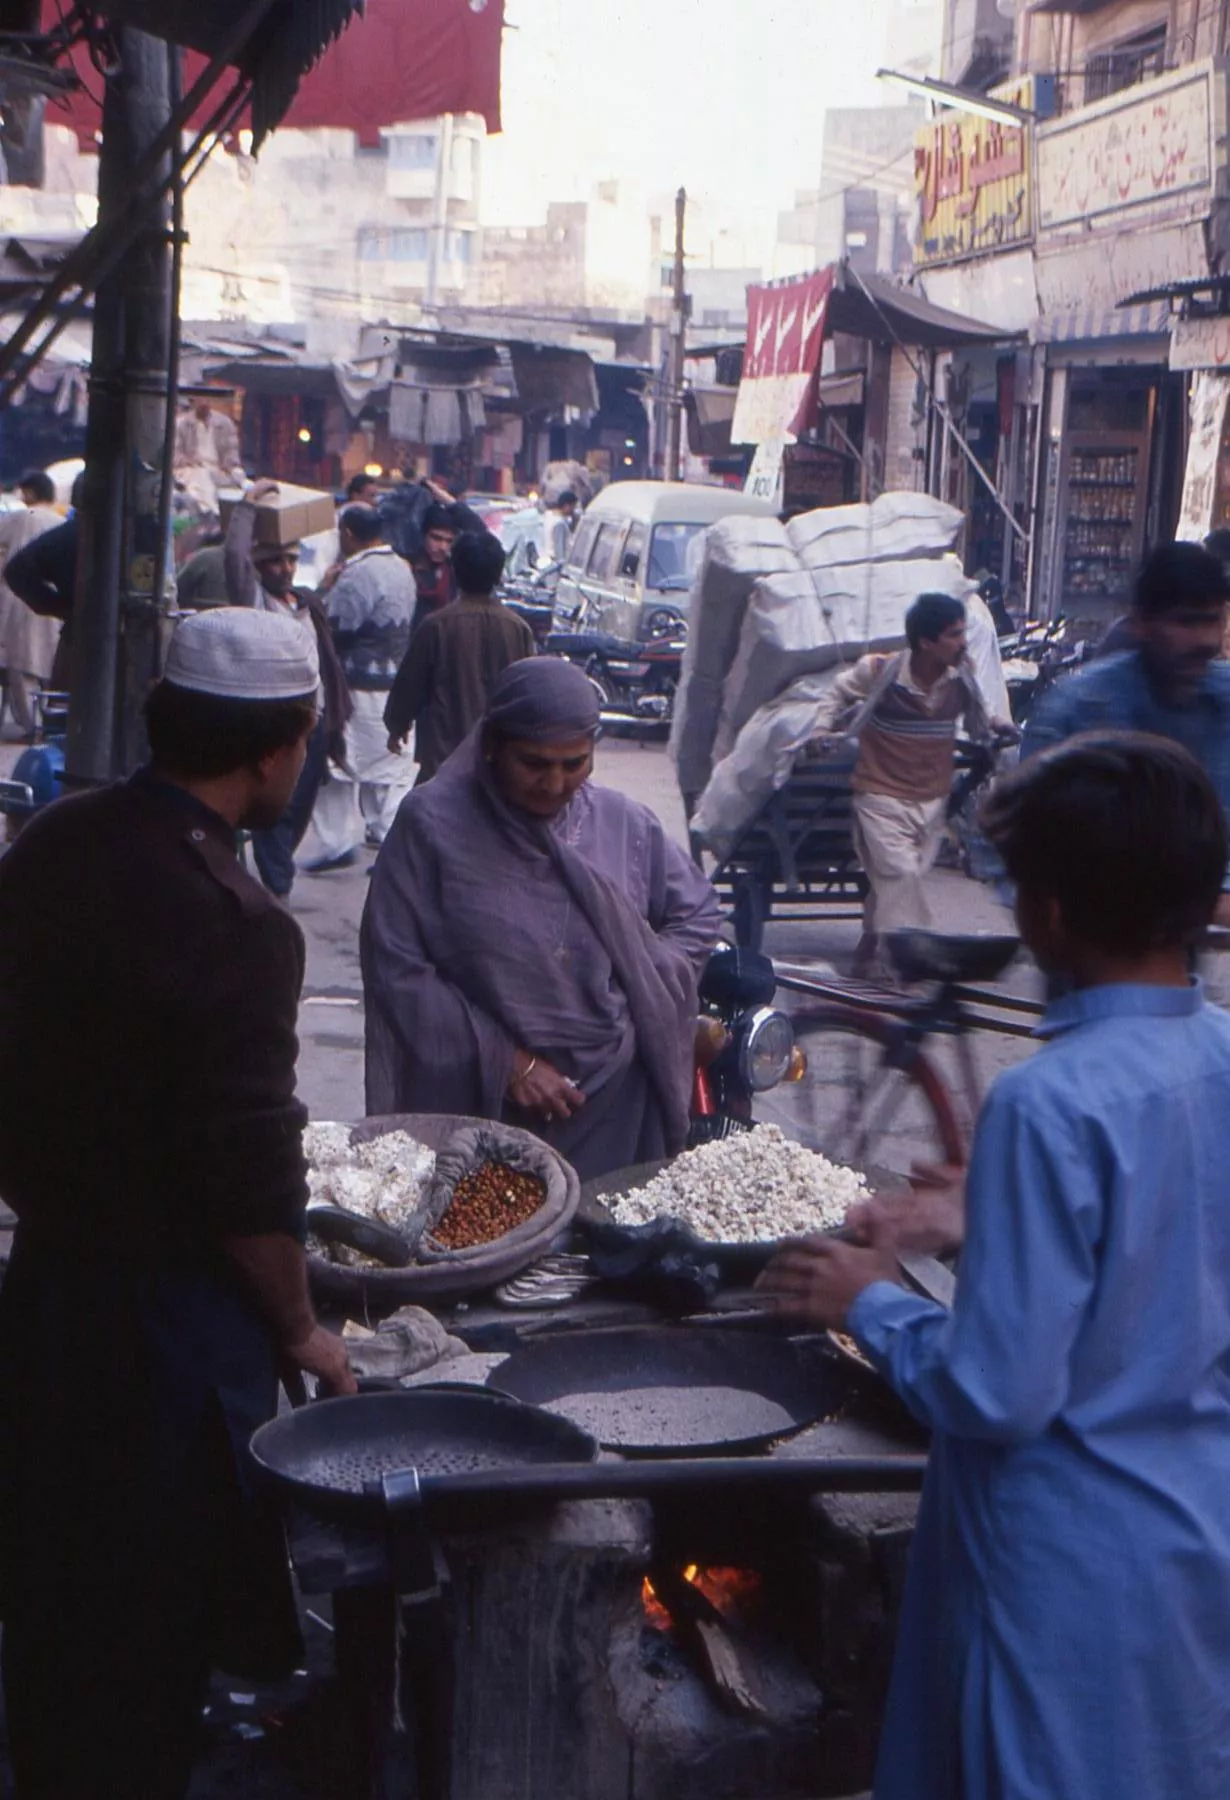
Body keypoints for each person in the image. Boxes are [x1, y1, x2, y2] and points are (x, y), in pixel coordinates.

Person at [760, 732, 1230, 1800]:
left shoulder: (1047, 1101)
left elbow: (1000, 1391)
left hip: (1066, 1564)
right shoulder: (1217, 1058)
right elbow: (1161, 1273)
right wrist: (983, 1227)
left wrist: (870, 1302)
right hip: (1195, 1531)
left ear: (1050, 913)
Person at [0, 607, 355, 1800]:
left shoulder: (54, 844)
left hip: (46, 1291)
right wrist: (303, 1324)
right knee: (149, 1626)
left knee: (55, 1605)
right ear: (274, 748)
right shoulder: (233, 922)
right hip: (169, 1334)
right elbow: (249, 1172)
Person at [362, 657, 721, 1182]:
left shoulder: (624, 824)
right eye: (534, 763)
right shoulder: (432, 827)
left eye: (574, 763)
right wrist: (509, 1063)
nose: (554, 784)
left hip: (617, 1100)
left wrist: (641, 986)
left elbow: (696, 913)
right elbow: (396, 963)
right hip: (484, 1104)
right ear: (491, 747)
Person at [1022, 541, 1230, 919]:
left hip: (1181, 945)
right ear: (1141, 624)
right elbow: (1022, 844)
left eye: (1213, 620)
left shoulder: (1225, 703)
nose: (1207, 641)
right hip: (1092, 944)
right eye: (1187, 621)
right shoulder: (1076, 711)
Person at [809, 593, 1002, 966]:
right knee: (900, 873)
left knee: (897, 880)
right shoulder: (879, 671)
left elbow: (981, 718)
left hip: (932, 800)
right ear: (926, 643)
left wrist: (997, 725)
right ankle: (910, 963)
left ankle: (870, 943)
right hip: (880, 796)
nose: (963, 642)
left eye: (963, 633)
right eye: (953, 635)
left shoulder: (963, 676)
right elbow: (836, 693)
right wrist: (821, 728)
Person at [224, 478, 352, 897]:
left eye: (291, 561)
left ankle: (277, 869)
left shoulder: (306, 602)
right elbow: (233, 556)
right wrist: (246, 507)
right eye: (275, 561)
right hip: (276, 716)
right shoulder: (253, 598)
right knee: (277, 805)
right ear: (261, 566)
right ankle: (277, 885)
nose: (285, 569)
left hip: (314, 717)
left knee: (301, 801)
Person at [384, 530, 535, 785]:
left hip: (444, 753)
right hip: (499, 755)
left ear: (455, 570)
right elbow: (529, 692)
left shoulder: (435, 626)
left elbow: (410, 683)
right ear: (498, 574)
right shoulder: (518, 628)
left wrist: (397, 726)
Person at [324, 502, 417, 843]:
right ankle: (385, 833)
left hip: (358, 684)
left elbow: (337, 627)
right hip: (394, 680)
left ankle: (337, 842)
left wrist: (325, 590)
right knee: (388, 769)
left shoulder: (356, 574)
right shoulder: (402, 567)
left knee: (342, 767)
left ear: (348, 534)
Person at [0, 476, 62, 735]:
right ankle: (45, 722)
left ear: (30, 493)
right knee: (46, 663)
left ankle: (34, 728)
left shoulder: (20, 518)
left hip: (19, 601)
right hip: (53, 602)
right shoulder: (61, 521)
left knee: (22, 667)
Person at [173, 392, 246, 513]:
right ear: (193, 400)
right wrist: (189, 461)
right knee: (201, 478)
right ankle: (210, 513)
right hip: (190, 469)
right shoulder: (180, 423)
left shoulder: (224, 423)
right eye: (200, 399)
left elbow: (232, 452)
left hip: (218, 469)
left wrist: (230, 468)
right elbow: (174, 455)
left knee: (240, 477)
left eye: (207, 399)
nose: (204, 402)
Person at [411, 500, 463, 633]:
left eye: (449, 541)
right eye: (436, 538)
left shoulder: (456, 571)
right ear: (424, 536)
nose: (442, 547)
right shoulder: (409, 567)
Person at [545, 488, 579, 564]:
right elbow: (559, 550)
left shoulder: (550, 516)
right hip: (556, 563)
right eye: (573, 506)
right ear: (567, 505)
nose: (574, 510)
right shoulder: (559, 523)